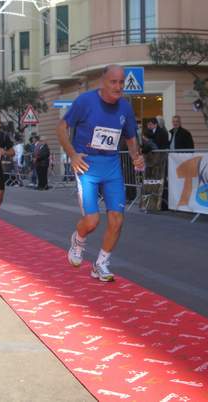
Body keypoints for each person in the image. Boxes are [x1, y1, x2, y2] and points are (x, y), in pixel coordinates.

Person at [57, 64, 144, 282]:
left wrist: (135, 156)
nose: (118, 86)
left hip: (112, 166)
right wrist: (72, 154)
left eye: (121, 82)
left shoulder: (125, 107)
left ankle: (101, 264)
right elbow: (61, 127)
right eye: (113, 82)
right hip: (87, 165)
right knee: (92, 221)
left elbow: (131, 137)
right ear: (102, 83)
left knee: (117, 219)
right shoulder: (85, 101)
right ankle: (78, 239)